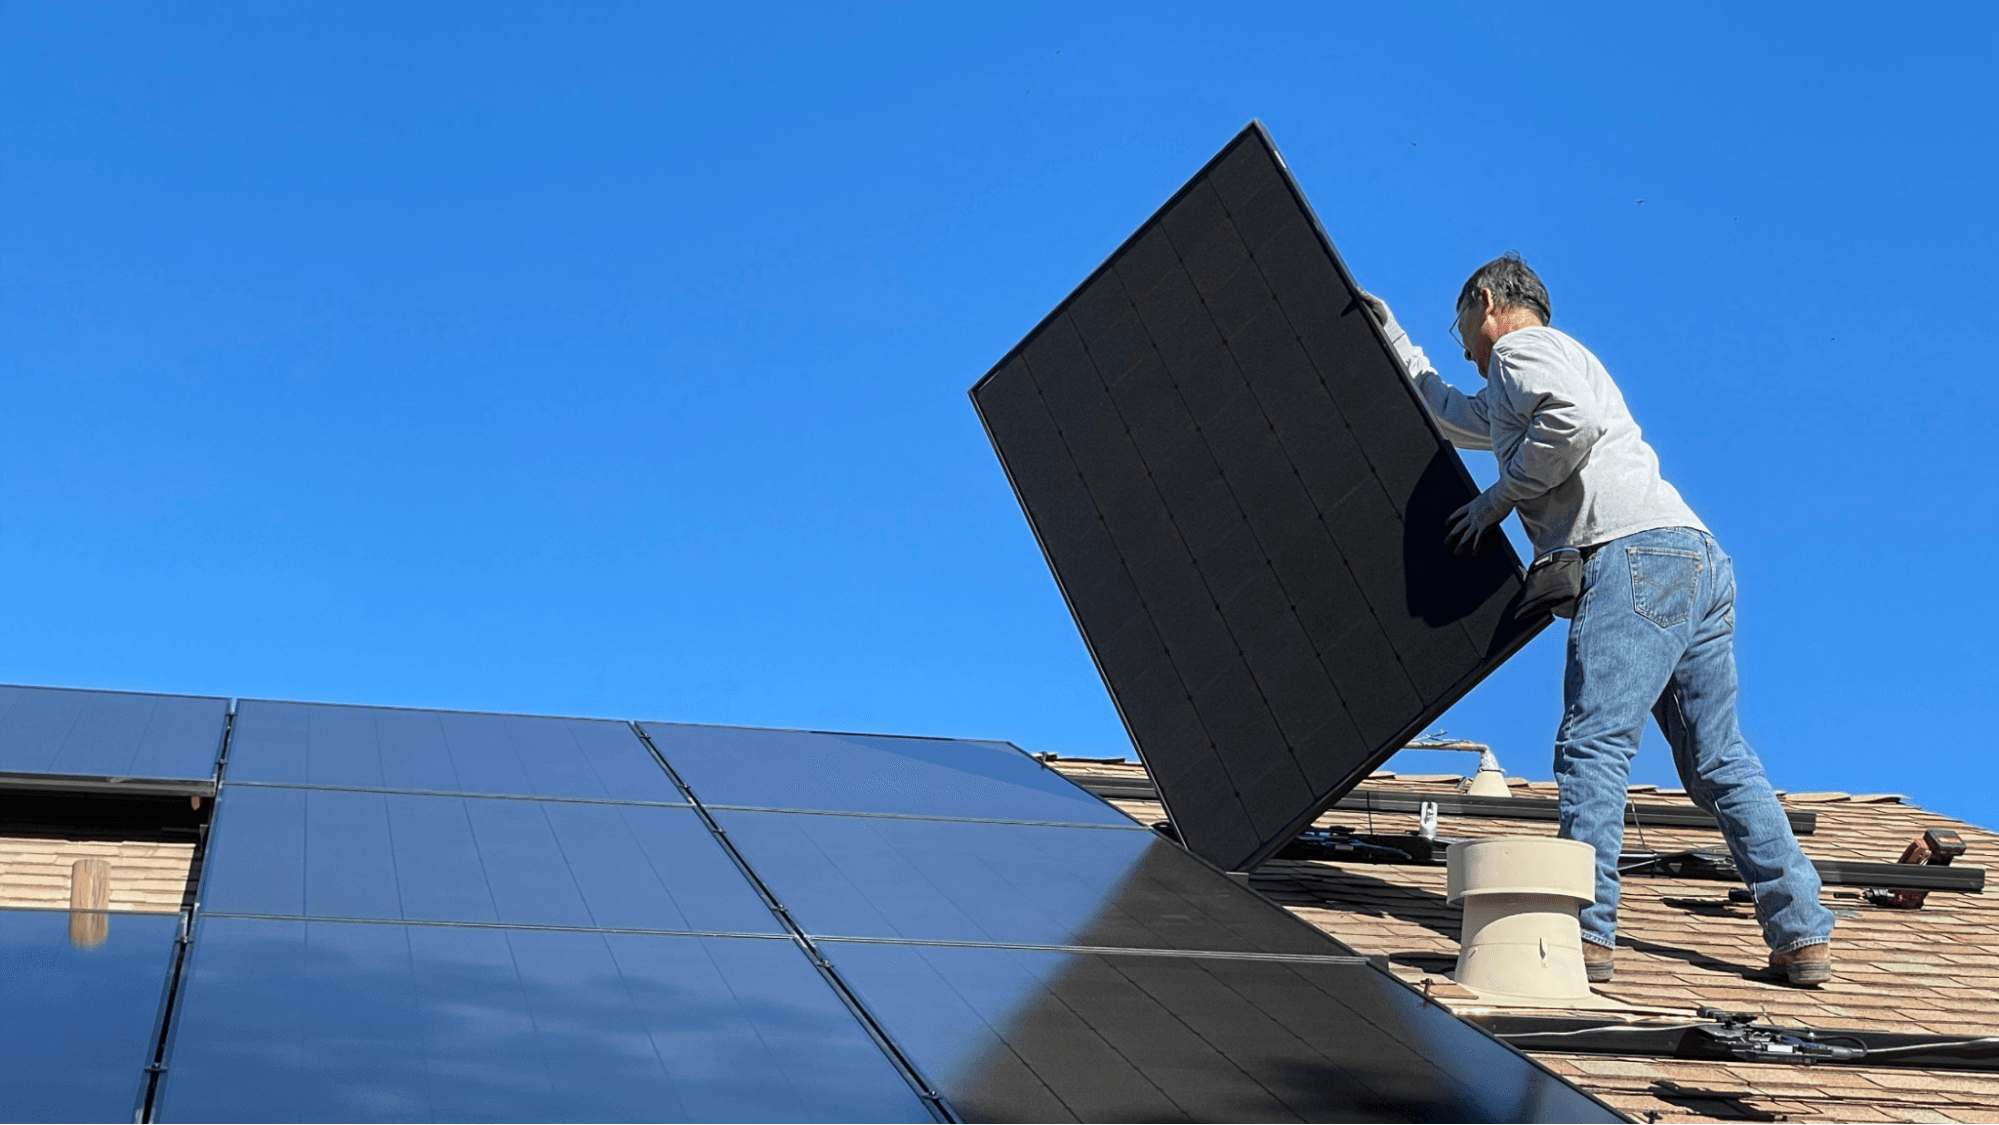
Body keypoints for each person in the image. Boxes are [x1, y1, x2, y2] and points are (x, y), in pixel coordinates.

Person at [1362, 254, 1835, 985]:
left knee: (1593, 743)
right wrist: (1391, 337)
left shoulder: (1520, 351)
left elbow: (1570, 424)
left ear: (1485, 301)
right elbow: (1455, 416)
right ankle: (1801, 931)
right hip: (1695, 559)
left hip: (1631, 555)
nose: (1459, 341)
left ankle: (1583, 935)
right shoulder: (1546, 365)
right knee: (1719, 761)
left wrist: (1496, 501)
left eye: (1458, 322)